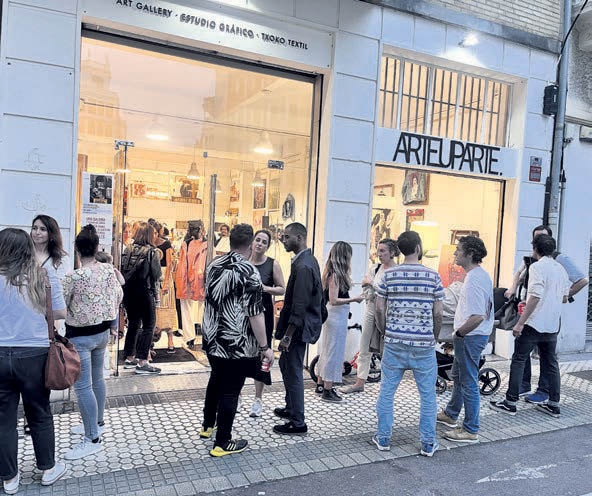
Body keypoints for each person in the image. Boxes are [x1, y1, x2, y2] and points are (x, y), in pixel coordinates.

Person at [0, 228, 67, 493]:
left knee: (4, 418)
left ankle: (9, 478)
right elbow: (60, 312)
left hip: (0, 353)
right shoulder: (43, 275)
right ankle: (48, 469)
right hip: (35, 354)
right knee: (39, 412)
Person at [200, 224, 274, 457]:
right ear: (250, 244)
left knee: (215, 380)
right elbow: (255, 313)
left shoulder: (213, 265)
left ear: (230, 240)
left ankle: (207, 426)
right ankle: (223, 442)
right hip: (236, 343)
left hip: (212, 337)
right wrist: (265, 347)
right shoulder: (249, 272)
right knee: (231, 390)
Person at [373, 231, 444, 455]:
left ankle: (383, 438)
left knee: (387, 390)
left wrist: (385, 330)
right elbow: (438, 313)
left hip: (394, 342)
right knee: (428, 395)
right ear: (418, 248)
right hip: (423, 344)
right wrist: (434, 335)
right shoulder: (433, 276)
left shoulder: (388, 275)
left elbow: (379, 308)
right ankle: (428, 443)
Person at [505, 225, 589, 404]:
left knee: (528, 358)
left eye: (540, 238)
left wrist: (522, 321)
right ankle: (549, 400)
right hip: (539, 315)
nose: (536, 242)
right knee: (546, 360)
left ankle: (518, 399)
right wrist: (514, 289)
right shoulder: (543, 264)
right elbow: (520, 274)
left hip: (536, 317)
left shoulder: (557, 261)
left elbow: (581, 281)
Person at [490, 234, 570, 417]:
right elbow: (565, 297)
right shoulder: (560, 269)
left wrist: (520, 323)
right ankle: (554, 404)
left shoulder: (536, 267)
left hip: (533, 323)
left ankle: (510, 402)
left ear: (535, 249)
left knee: (519, 359)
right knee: (551, 363)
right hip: (552, 324)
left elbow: (535, 296)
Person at [62, 226, 123, 460]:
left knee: (83, 387)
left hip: (80, 336)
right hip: (103, 333)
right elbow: (119, 295)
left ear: (77, 249)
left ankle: (92, 438)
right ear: (97, 247)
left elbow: (61, 306)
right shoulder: (108, 270)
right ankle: (97, 423)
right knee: (97, 379)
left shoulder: (73, 277)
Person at [437, 236, 493, 444]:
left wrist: (459, 333)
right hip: (471, 336)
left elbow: (478, 316)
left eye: (459, 250)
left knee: (468, 381)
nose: (455, 253)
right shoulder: (478, 275)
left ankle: (470, 429)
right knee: (459, 377)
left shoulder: (475, 279)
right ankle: (451, 414)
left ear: (470, 254)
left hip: (470, 336)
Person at [273, 223, 324, 435]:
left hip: (297, 328)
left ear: (300, 238)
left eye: (287, 237)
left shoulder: (304, 266)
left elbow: (300, 305)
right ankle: (291, 408)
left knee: (293, 371)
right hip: (298, 326)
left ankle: (298, 422)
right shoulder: (305, 260)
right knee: (286, 365)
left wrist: (288, 335)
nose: (283, 240)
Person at [342, 239, 399, 394]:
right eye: (378, 250)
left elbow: (389, 291)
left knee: (387, 349)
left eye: (383, 251)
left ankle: (387, 385)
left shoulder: (397, 271)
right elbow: (365, 286)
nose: (379, 254)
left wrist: (373, 284)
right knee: (365, 345)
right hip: (371, 307)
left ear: (392, 252)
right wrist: (373, 286)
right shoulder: (376, 268)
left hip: (389, 311)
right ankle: (360, 382)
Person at [315, 242, 364, 402]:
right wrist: (354, 299)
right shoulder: (336, 275)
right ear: (344, 256)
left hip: (333, 316)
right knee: (334, 353)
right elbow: (334, 300)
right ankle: (328, 390)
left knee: (327, 351)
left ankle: (321, 384)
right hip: (335, 317)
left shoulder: (331, 272)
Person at [248, 229, 285, 417]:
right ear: (252, 241)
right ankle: (236, 394)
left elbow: (282, 289)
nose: (260, 244)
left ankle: (258, 398)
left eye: (264, 242)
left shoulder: (272, 264)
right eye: (258, 240)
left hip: (264, 314)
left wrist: (264, 288)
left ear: (267, 246)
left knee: (262, 355)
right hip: (243, 315)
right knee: (241, 355)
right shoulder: (244, 262)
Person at [121, 222, 162, 374]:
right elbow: (156, 275)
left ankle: (129, 357)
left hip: (129, 293)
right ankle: (143, 361)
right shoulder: (152, 252)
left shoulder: (128, 249)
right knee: (149, 325)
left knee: (133, 323)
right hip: (145, 292)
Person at [175, 220, 207, 349]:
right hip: (186, 278)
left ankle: (206, 336)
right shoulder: (186, 244)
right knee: (186, 307)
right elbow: (182, 262)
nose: (193, 230)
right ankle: (190, 337)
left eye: (195, 228)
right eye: (192, 228)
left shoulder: (207, 244)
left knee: (203, 308)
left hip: (202, 279)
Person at [153, 222, 177, 354]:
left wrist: (166, 282)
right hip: (153, 277)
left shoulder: (166, 244)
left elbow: (169, 264)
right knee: (154, 309)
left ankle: (170, 339)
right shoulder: (149, 244)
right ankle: (151, 339)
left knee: (167, 306)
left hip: (164, 275)